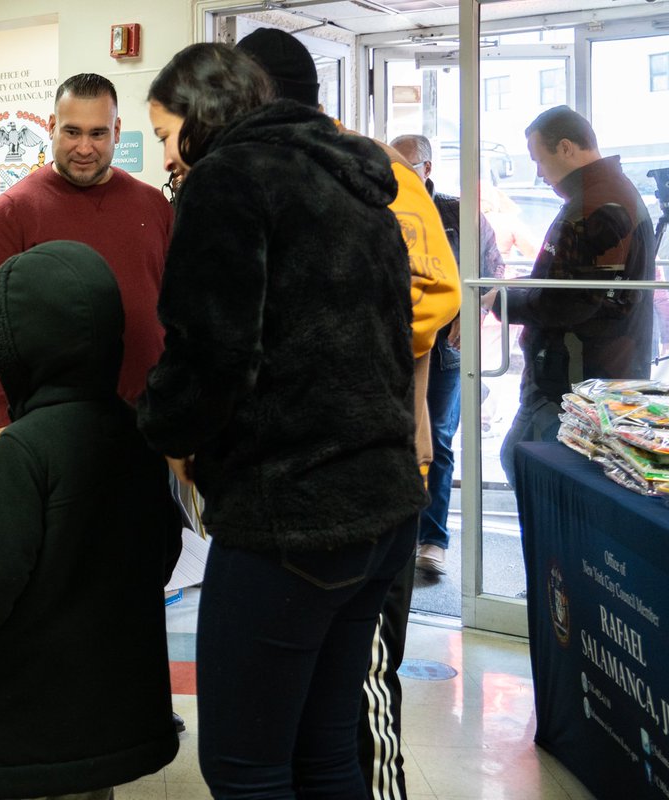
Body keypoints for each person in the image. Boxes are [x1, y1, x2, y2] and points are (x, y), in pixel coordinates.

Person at [140, 42, 428, 799]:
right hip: (383, 504)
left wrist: (165, 429)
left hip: (290, 514)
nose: (166, 157)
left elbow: (211, 352)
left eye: (166, 134)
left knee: (245, 767)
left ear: (202, 115)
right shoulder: (356, 181)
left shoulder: (229, 179)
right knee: (325, 751)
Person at [0, 240, 181, 800]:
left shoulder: (25, 448)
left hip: (32, 716)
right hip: (115, 704)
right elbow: (165, 547)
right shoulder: (137, 433)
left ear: (17, 351)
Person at [0, 72, 173, 453]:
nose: (84, 147)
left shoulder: (154, 207)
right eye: (72, 132)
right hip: (52, 431)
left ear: (117, 131)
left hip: (150, 423)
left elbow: (178, 309)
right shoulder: (12, 213)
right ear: (51, 127)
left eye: (98, 133)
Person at [488, 105, 654, 485]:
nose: (539, 173)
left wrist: (502, 301)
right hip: (586, 374)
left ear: (565, 148)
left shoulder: (598, 206)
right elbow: (570, 285)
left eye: (539, 160)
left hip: (575, 380)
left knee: (530, 469)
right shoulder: (603, 195)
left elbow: (569, 302)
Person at [390, 133, 506, 577]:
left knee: (437, 437)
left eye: (407, 165)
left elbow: (492, 271)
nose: (398, 173)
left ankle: (433, 539)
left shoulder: (459, 213)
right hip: (395, 341)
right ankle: (396, 537)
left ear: (427, 169)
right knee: (395, 435)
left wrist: (472, 310)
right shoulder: (381, 207)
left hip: (444, 348)